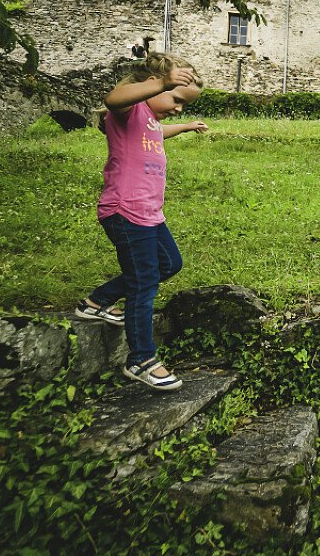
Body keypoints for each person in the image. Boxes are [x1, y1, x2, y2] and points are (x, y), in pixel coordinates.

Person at [75, 53, 209, 391]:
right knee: (144, 280)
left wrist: (185, 127)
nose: (179, 108)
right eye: (177, 100)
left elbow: (158, 132)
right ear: (150, 85)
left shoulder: (148, 119)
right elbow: (112, 100)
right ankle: (141, 359)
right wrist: (162, 83)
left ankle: (96, 302)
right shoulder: (127, 110)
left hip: (150, 213)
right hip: (125, 210)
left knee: (169, 263)